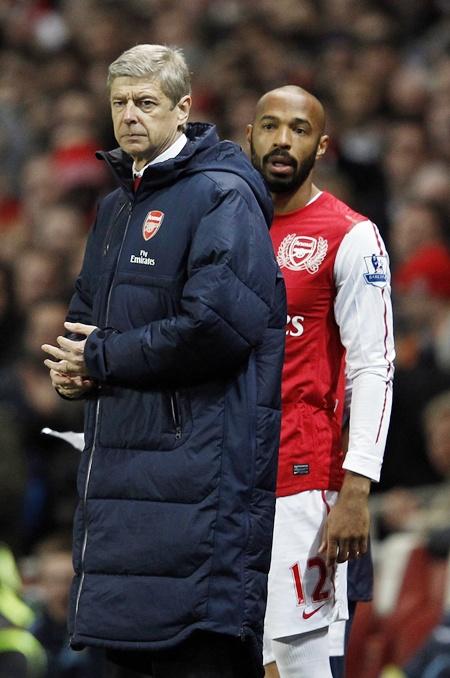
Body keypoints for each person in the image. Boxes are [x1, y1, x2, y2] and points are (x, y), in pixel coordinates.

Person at [41, 44, 286, 678]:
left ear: (183, 109)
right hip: (125, 473)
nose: (129, 116)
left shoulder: (221, 196)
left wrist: (102, 356)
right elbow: (86, 316)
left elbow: (219, 327)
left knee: (195, 651)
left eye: (146, 103)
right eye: (119, 103)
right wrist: (73, 368)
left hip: (197, 475)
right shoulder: (117, 203)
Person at [247, 85, 395, 677]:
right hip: (229, 472)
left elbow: (373, 365)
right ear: (249, 137)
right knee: (248, 653)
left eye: (299, 129)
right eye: (270, 126)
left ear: (322, 145)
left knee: (293, 657)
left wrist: (357, 488)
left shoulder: (350, 235)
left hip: (305, 477)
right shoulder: (227, 228)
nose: (283, 140)